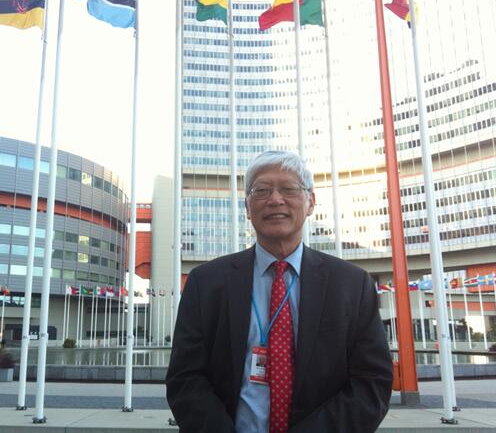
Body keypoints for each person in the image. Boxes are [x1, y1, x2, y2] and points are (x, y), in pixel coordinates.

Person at [166, 150, 393, 433]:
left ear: (310, 202)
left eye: (288, 188)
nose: (275, 199)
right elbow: (185, 378)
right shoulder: (206, 282)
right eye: (261, 190)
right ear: (247, 207)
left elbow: (372, 382)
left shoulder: (352, 284)